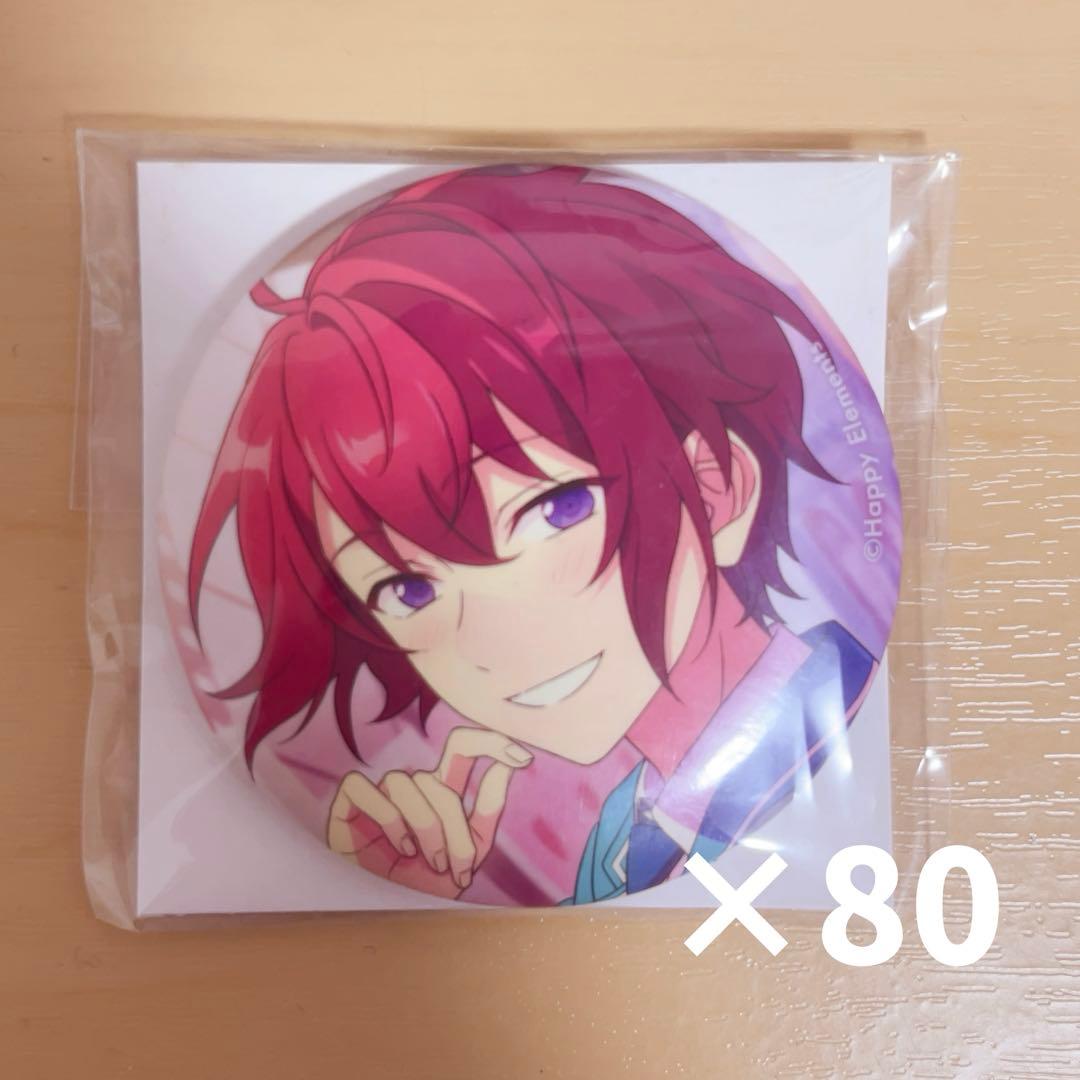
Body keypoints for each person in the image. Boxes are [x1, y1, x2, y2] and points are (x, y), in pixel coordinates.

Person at [188, 165, 876, 904]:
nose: (496, 639)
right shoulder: (622, 841)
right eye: (406, 588)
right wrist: (413, 901)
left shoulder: (840, 734)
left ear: (717, 491)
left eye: (556, 509)